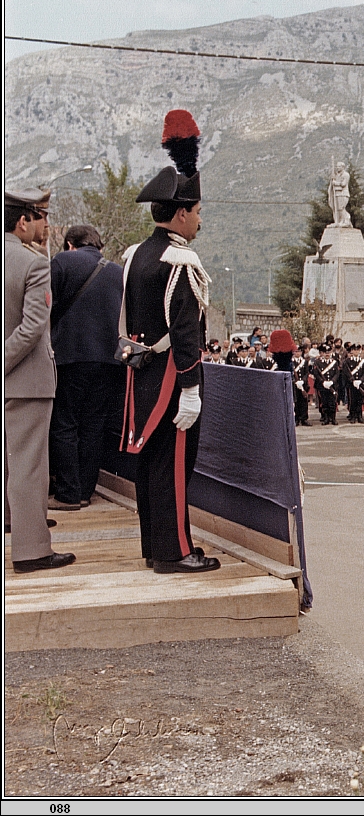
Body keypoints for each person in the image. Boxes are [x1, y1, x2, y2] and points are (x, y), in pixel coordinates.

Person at [120, 110, 218, 573]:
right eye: (197, 212)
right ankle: (175, 552)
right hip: (172, 381)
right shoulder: (181, 260)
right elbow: (185, 332)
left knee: (151, 466)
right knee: (176, 466)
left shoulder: (136, 254)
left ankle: (153, 546)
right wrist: (193, 387)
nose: (199, 221)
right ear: (180, 213)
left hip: (141, 375)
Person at [5, 188, 76, 573]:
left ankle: (9, 522)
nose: (46, 225)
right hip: (26, 378)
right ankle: (31, 550)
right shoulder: (32, 264)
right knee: (30, 468)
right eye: (41, 217)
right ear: (23, 221)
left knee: (7, 464)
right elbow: (33, 326)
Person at [48, 223, 124, 510]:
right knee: (95, 423)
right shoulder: (117, 272)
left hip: (71, 355)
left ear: (69, 244)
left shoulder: (62, 261)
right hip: (108, 359)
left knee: (65, 422)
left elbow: (46, 307)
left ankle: (68, 493)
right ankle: (85, 491)